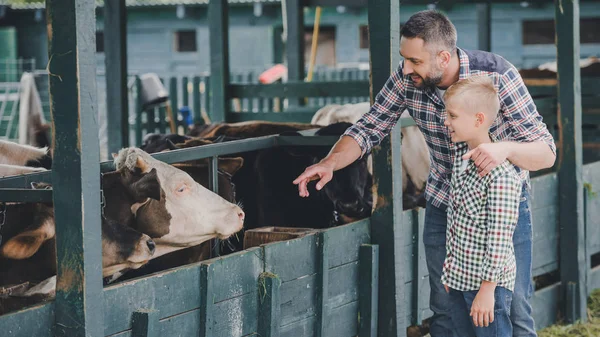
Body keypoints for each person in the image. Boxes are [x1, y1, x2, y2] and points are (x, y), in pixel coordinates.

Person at [292, 9, 556, 337]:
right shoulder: (407, 80)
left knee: (512, 307)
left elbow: (546, 151)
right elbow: (369, 127)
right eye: (404, 59)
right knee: (445, 310)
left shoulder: (498, 76)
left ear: (443, 57)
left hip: (500, 209)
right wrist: (329, 163)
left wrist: (505, 149)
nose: (405, 68)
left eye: (414, 61)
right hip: (444, 206)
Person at [441, 76, 521, 337]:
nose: (446, 121)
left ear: (478, 120)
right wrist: (450, 272)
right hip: (460, 280)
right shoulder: (463, 161)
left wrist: (487, 290)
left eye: (452, 115)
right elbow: (457, 222)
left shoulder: (501, 176)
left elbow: (499, 237)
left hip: (488, 288)